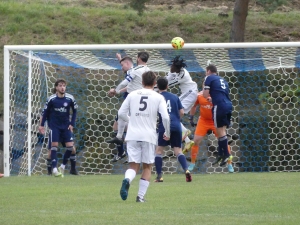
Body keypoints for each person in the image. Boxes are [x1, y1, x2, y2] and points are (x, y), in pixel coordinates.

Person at [118, 71, 170, 202]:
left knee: (133, 166)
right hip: (148, 136)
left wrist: (131, 121)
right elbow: (165, 117)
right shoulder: (158, 97)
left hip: (133, 135)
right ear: (154, 83)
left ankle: (127, 180)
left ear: (141, 82)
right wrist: (167, 133)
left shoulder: (132, 94)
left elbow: (121, 113)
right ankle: (140, 197)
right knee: (147, 166)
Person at [106, 52, 150, 146]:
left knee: (122, 115)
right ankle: (119, 137)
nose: (121, 67)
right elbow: (127, 67)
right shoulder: (147, 70)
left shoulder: (135, 70)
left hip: (134, 97)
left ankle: (137, 129)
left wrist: (115, 90)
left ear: (138, 59)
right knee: (122, 115)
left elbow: (124, 83)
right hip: (141, 96)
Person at [187, 87, 234, 173]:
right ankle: (192, 163)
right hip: (203, 121)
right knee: (196, 141)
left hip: (215, 120)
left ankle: (229, 163)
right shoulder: (199, 95)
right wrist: (191, 117)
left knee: (224, 141)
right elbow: (194, 106)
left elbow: (225, 105)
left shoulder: (218, 96)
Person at [154, 77, 192, 182]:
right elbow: (182, 112)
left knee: (159, 151)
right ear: (167, 86)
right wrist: (176, 120)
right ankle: (186, 170)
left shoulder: (157, 97)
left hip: (163, 126)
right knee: (178, 151)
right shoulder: (175, 97)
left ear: (157, 87)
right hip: (176, 125)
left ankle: (159, 176)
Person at [39, 78, 78, 177]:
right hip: (55, 127)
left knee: (71, 148)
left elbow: (75, 111)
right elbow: (45, 113)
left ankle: (64, 167)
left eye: (64, 85)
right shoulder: (51, 99)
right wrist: (42, 125)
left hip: (65, 127)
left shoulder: (70, 98)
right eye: (60, 85)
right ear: (56, 87)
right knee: (52, 149)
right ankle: (53, 171)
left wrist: (71, 124)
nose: (62, 87)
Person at [161, 56, 198, 153]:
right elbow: (166, 80)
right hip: (186, 94)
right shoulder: (173, 71)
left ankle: (185, 132)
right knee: (173, 114)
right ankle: (188, 140)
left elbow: (167, 84)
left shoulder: (183, 74)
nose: (171, 68)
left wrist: (154, 87)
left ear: (177, 68)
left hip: (191, 93)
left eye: (173, 66)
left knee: (173, 113)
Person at [203, 64, 233, 167]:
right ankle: (220, 154)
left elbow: (205, 95)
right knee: (222, 131)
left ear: (208, 71)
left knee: (219, 131)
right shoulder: (223, 79)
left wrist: (205, 83)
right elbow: (221, 94)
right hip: (228, 105)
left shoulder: (208, 78)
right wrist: (214, 98)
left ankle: (227, 154)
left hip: (219, 106)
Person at [107, 54, 134, 162]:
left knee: (129, 127)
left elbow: (128, 86)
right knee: (116, 126)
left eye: (122, 65)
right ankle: (121, 152)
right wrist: (120, 59)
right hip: (128, 102)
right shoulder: (131, 71)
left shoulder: (132, 72)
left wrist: (116, 90)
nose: (121, 67)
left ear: (127, 64)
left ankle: (128, 153)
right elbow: (126, 64)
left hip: (131, 103)